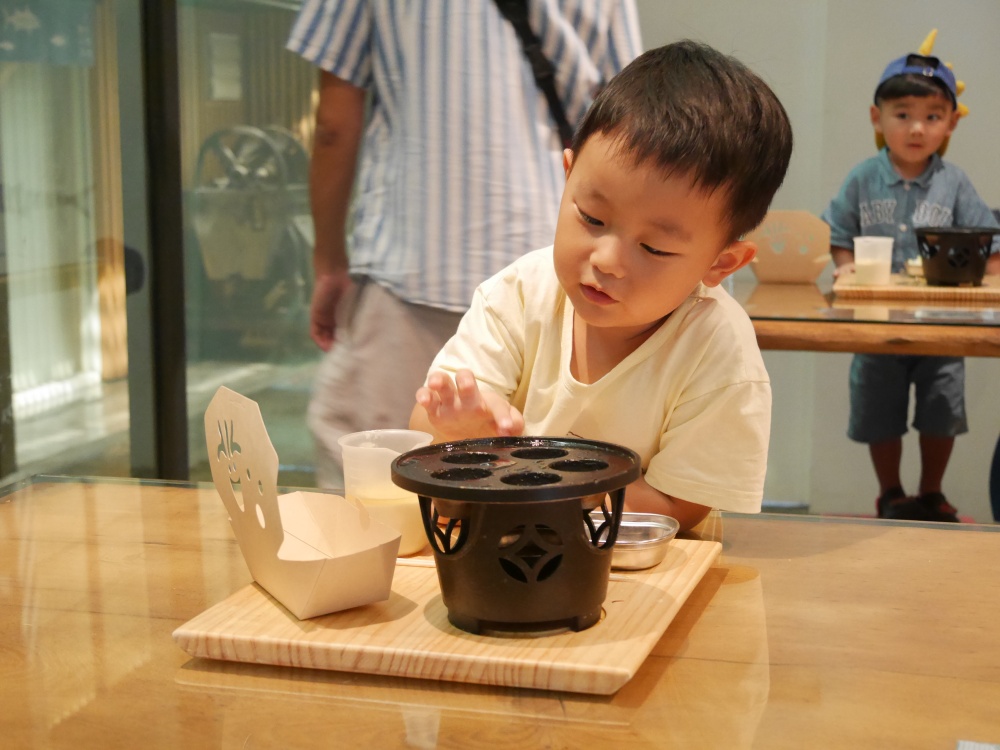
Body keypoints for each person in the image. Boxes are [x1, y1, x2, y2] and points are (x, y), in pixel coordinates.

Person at [410, 41, 794, 532]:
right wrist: (455, 434)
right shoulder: (521, 294)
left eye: (654, 248)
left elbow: (680, 505)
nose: (607, 261)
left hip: (646, 578)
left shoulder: (718, 349)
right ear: (567, 177)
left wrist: (513, 470)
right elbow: (423, 431)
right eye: (591, 217)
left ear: (721, 263)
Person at [285, 2, 642, 488]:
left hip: (411, 271)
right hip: (552, 285)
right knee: (535, 499)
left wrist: (329, 259)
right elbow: (628, 117)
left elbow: (333, 125)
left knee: (377, 497)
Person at [822, 43, 1000, 522]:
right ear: (877, 118)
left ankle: (931, 493)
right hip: (876, 324)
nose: (917, 128)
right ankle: (892, 493)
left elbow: (990, 244)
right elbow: (839, 235)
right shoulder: (862, 179)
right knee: (880, 409)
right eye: (902, 114)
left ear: (951, 124)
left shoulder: (955, 183)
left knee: (941, 407)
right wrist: (845, 266)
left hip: (941, 324)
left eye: (932, 116)